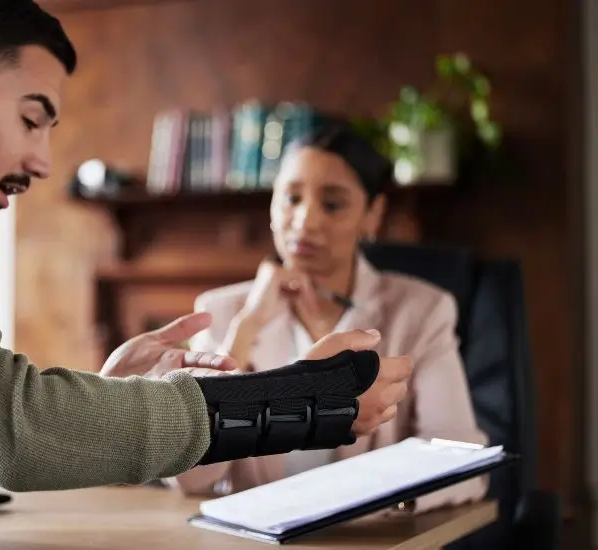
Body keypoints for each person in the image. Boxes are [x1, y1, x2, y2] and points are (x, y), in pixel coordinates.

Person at [0, 1, 414, 548]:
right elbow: (10, 430)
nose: (41, 161)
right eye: (32, 119)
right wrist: (310, 398)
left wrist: (107, 390)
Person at [167, 119, 488, 513]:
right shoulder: (223, 311)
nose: (305, 221)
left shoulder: (421, 311)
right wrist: (247, 325)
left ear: (373, 214)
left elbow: (462, 459)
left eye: (332, 204)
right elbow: (189, 477)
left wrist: (385, 499)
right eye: (291, 198)